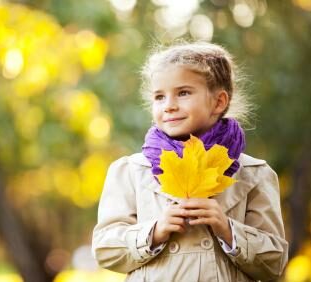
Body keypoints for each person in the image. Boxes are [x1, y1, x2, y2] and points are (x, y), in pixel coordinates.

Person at [91, 41, 288, 281]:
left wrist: (227, 229)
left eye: (183, 93)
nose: (170, 106)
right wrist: (154, 232)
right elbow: (105, 250)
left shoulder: (254, 174)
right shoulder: (131, 171)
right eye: (159, 97)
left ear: (219, 102)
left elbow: (274, 263)